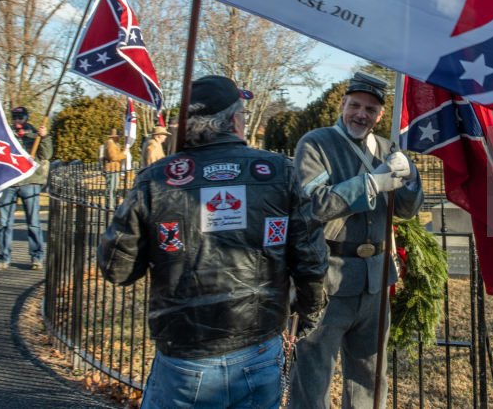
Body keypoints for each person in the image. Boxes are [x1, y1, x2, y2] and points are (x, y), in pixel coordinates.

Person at [98, 75, 327, 409]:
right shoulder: (278, 171)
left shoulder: (156, 178)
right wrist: (308, 312)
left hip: (191, 353)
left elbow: (116, 268)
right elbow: (311, 260)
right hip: (252, 348)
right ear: (235, 120)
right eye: (244, 114)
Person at [289, 71, 424, 409]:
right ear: (343, 104)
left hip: (375, 281)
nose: (361, 114)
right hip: (328, 278)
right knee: (312, 375)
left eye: (370, 109)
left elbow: (407, 211)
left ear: (380, 115)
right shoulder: (316, 143)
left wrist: (408, 179)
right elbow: (314, 204)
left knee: (370, 376)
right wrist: (372, 183)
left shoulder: (387, 147)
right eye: (355, 105)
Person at [0, 106, 51, 272]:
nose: (17, 120)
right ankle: (3, 258)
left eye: (21, 117)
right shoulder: (5, 135)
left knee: (33, 223)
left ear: (26, 117)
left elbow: (46, 155)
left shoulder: (35, 135)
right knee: (4, 223)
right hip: (9, 183)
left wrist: (44, 138)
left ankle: (37, 257)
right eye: (15, 117)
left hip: (30, 183)